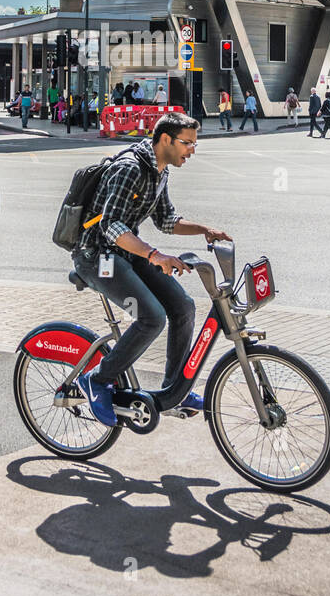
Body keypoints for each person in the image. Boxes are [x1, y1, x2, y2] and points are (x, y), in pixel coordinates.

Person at [72, 111, 231, 425]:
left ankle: (174, 392)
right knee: (152, 317)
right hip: (98, 257)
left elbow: (166, 221)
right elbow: (111, 226)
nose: (192, 150)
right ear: (166, 140)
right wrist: (154, 256)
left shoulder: (159, 170)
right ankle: (97, 379)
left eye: (194, 144)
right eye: (187, 143)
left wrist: (204, 230)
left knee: (183, 306)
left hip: (125, 254)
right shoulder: (129, 168)